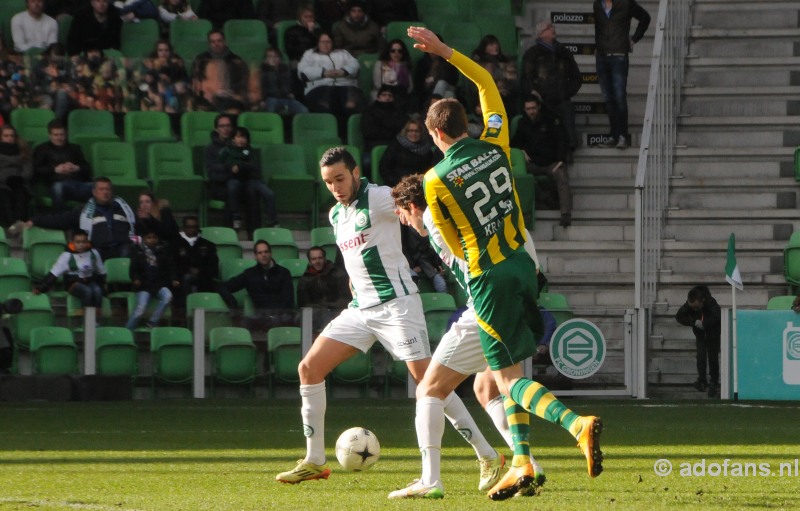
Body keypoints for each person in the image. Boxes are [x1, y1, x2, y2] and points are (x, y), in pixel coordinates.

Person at [407, 26, 603, 499]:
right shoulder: (495, 141)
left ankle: (577, 424)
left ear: (435, 133)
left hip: (489, 279)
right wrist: (447, 52)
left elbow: (452, 242)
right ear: (465, 124)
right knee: (498, 379)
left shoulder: (434, 181)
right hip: (522, 263)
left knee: (510, 381)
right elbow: (488, 87)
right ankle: (521, 463)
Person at [275, 147, 503, 493]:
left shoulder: (380, 198)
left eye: (340, 178)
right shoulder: (337, 214)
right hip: (360, 310)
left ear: (354, 172)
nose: (335, 186)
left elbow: (419, 197)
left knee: (429, 384)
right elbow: (358, 255)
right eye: (328, 181)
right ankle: (315, 461)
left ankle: (486, 454)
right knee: (309, 369)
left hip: (397, 306)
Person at [389, 173, 547, 499]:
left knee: (430, 388)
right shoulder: (496, 218)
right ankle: (529, 464)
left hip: (487, 310)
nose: (401, 220)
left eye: (401, 212)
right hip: (517, 305)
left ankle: (430, 480)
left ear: (411, 205)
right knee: (487, 386)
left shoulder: (436, 217)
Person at [19, 177, 136, 260]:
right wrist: (35, 220)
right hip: (98, 249)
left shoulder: (124, 209)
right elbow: (60, 220)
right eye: (101, 189)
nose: (105, 192)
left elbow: (138, 225)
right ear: (94, 192)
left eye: (107, 189)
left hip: (122, 247)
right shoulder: (82, 211)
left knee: (129, 252)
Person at [593, 0, 650, 149]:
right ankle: (613, 135)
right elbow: (597, 28)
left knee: (619, 96)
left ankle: (622, 136)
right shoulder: (597, 4)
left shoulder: (626, 3)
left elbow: (645, 18)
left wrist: (634, 39)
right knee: (608, 97)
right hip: (602, 56)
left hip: (619, 55)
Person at [511, 93, 572, 227]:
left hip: (552, 163)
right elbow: (514, 142)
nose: (531, 111)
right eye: (528, 109)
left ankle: (566, 215)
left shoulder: (551, 119)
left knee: (562, 175)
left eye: (533, 108)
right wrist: (521, 151)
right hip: (532, 164)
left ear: (538, 107)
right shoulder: (522, 123)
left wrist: (561, 159)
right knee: (519, 175)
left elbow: (563, 139)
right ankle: (546, 198)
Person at [520, 21, 582, 153]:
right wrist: (534, 93)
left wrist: (566, 92)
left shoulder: (563, 52)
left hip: (561, 98)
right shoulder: (532, 54)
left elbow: (576, 77)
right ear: (541, 34)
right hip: (542, 100)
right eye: (548, 28)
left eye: (552, 27)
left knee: (567, 113)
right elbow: (526, 77)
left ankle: (570, 147)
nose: (552, 29)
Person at [297, 31, 365, 134]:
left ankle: (350, 134)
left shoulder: (343, 53)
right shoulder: (310, 54)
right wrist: (324, 73)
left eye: (328, 41)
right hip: (320, 86)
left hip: (345, 84)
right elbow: (302, 71)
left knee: (351, 105)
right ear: (318, 43)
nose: (325, 44)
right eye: (322, 42)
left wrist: (344, 71)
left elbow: (355, 65)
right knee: (327, 105)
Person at [219, 240, 294, 331]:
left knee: (278, 321)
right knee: (244, 323)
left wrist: (277, 314)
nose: (263, 255)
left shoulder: (284, 272)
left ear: (271, 253)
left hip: (281, 315)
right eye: (260, 253)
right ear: (255, 256)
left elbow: (288, 299)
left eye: (266, 252)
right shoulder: (250, 274)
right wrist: (233, 304)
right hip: (261, 316)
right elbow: (224, 287)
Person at [214, 126, 278, 230]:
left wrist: (239, 165)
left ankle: (273, 221)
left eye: (244, 137)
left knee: (269, 194)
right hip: (234, 178)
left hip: (251, 179)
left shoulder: (250, 150)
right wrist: (231, 167)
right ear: (233, 138)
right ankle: (236, 216)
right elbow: (219, 165)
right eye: (238, 137)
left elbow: (254, 166)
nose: (241, 140)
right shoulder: (227, 150)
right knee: (232, 187)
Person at [34, 229, 106, 310]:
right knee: (87, 292)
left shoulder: (94, 253)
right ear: (72, 242)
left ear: (87, 242)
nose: (81, 245)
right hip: (73, 283)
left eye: (84, 242)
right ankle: (87, 320)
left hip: (90, 281)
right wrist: (40, 288)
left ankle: (96, 319)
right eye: (78, 242)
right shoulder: (66, 256)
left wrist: (105, 286)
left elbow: (101, 272)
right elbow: (53, 274)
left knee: (98, 291)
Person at [32, 119, 93, 211]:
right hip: (57, 183)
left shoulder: (75, 148)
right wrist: (55, 169)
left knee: (100, 186)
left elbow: (87, 169)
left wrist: (77, 168)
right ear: (50, 135)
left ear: (66, 134)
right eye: (56, 135)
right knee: (58, 188)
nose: (59, 138)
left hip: (78, 183)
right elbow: (36, 170)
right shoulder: (42, 149)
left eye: (62, 135)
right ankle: (62, 217)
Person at [126, 229, 178, 330]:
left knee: (168, 296)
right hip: (144, 286)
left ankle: (153, 321)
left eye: (154, 237)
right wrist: (136, 279)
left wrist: (174, 279)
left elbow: (171, 267)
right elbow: (134, 268)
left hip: (159, 284)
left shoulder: (163, 251)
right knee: (140, 308)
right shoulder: (139, 252)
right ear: (144, 239)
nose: (152, 240)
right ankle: (128, 330)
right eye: (149, 238)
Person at [675, 285, 721, 398]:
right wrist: (693, 322)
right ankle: (702, 380)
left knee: (713, 358)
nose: (694, 309)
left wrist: (704, 324)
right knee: (700, 357)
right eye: (693, 308)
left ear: (703, 301)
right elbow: (679, 316)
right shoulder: (690, 304)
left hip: (713, 335)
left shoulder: (712, 303)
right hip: (700, 335)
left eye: (696, 307)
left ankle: (713, 382)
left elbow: (717, 317)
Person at [191, 29, 250, 111]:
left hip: (230, 98)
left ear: (224, 41)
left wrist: (231, 93)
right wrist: (205, 93)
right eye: (213, 41)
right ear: (209, 44)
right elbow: (196, 81)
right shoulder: (201, 60)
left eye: (219, 41)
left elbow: (243, 83)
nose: (216, 44)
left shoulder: (236, 61)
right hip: (207, 96)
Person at [296, 245, 351, 333]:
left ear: (324, 259)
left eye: (320, 258)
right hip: (316, 314)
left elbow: (346, 297)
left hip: (337, 311)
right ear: (310, 261)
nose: (317, 261)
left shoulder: (338, 274)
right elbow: (304, 304)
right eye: (314, 259)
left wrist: (330, 307)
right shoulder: (304, 280)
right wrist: (323, 309)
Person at [173, 215, 219, 313]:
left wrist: (199, 271)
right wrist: (187, 271)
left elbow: (214, 267)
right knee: (185, 279)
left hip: (203, 279)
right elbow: (173, 265)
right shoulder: (175, 245)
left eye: (195, 227)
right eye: (189, 227)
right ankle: (184, 312)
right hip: (181, 281)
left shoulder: (208, 245)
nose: (192, 230)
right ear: (184, 228)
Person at [379, 118, 439, 188]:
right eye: (410, 131)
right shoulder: (396, 146)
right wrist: (397, 183)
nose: (413, 133)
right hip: (397, 184)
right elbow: (384, 167)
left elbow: (430, 169)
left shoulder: (427, 149)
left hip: (420, 185)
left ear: (421, 132)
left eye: (416, 131)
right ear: (406, 132)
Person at [0, 125, 33, 230]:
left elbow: (28, 169)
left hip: (19, 181)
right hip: (2, 182)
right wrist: (5, 179)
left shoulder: (22, 151)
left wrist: (20, 179)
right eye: (6, 136)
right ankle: (11, 225)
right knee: (3, 194)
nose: (9, 138)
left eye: (11, 136)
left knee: (21, 193)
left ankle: (17, 225)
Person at [259, 47, 309, 116]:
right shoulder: (263, 71)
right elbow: (260, 87)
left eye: (275, 56)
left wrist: (292, 93)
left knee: (304, 110)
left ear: (279, 59)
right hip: (271, 98)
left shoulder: (286, 70)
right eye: (270, 56)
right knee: (271, 110)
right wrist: (262, 100)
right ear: (266, 59)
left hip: (287, 98)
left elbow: (292, 84)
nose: (273, 59)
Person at [360, 85, 407, 154]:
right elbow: (369, 132)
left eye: (390, 95)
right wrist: (391, 131)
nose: (387, 97)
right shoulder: (369, 112)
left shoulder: (399, 112)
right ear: (378, 97)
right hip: (375, 145)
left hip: (396, 144)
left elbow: (404, 127)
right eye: (384, 95)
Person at [372, 40, 415, 113]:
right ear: (389, 52)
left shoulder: (405, 66)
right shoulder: (380, 64)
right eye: (393, 51)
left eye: (399, 51)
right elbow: (377, 83)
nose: (396, 53)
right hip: (384, 91)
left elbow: (410, 87)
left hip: (402, 94)